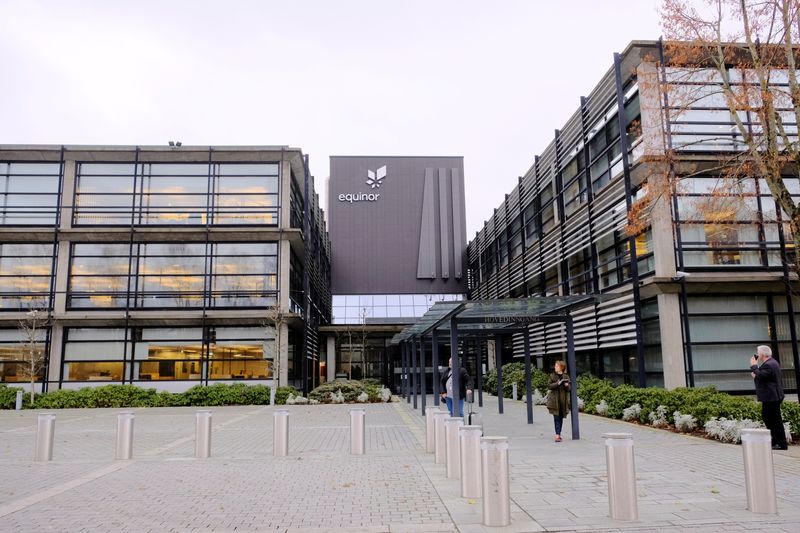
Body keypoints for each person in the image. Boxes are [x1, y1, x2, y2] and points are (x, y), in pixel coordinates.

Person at [750, 345, 788, 450]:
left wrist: (754, 366)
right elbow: (764, 377)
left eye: (758, 352)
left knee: (773, 419)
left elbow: (761, 376)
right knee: (771, 418)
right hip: (772, 396)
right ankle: (776, 442)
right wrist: (756, 374)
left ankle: (780, 443)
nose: (757, 354)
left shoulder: (769, 364)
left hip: (772, 397)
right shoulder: (772, 363)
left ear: (762, 354)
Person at [546, 360, 571, 442]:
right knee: (556, 418)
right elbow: (549, 386)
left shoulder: (566, 376)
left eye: (557, 366)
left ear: (561, 367)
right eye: (555, 366)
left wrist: (567, 386)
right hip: (554, 401)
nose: (555, 367)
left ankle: (558, 434)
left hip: (563, 401)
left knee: (561, 418)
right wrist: (558, 384)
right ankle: (557, 435)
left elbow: (569, 389)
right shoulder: (552, 376)